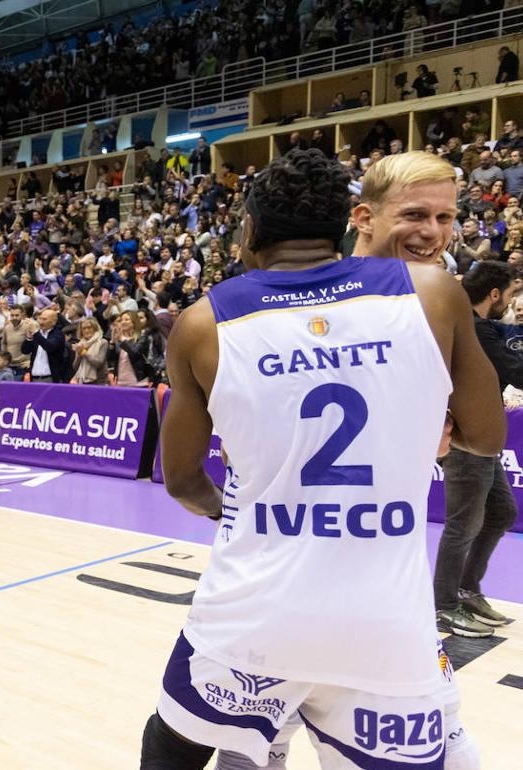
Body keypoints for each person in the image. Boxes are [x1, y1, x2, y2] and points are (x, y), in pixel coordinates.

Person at [140, 149, 503, 769]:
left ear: (250, 231)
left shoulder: (203, 322)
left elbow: (180, 479)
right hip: (383, 621)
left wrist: (238, 514)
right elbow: (486, 436)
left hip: (256, 611)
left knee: (174, 746)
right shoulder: (434, 293)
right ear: (347, 223)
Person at [433, 260, 521, 636]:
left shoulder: (476, 326)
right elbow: (517, 372)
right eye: (513, 294)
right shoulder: (475, 329)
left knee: (501, 511)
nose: (513, 302)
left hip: (479, 438)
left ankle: (466, 588)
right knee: (463, 523)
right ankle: (444, 604)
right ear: (496, 293)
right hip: (466, 438)